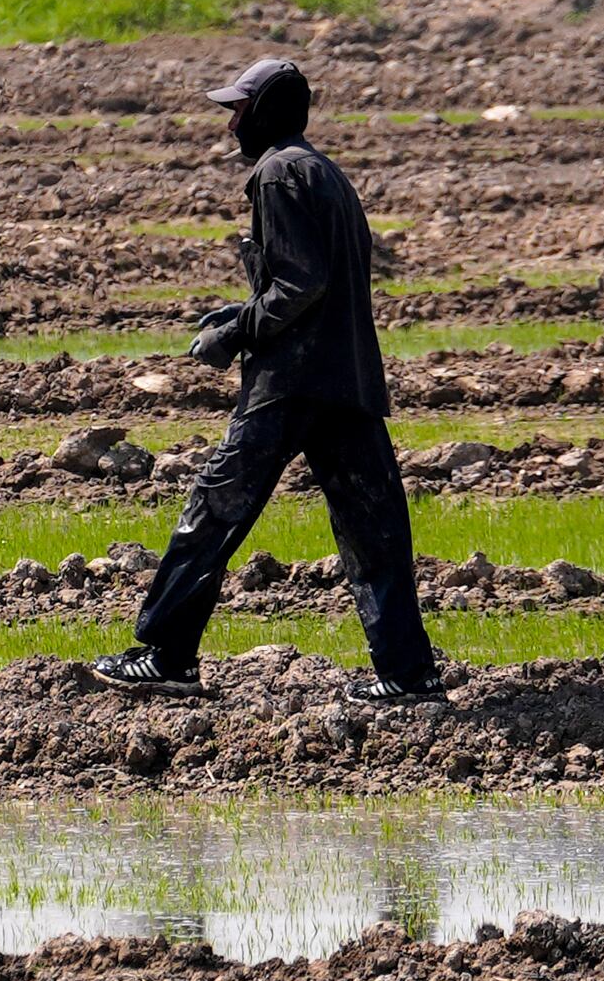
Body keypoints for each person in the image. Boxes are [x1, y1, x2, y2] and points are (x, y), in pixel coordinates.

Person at [99, 56, 445, 700]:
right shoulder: (327, 175)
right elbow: (314, 281)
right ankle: (408, 674)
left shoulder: (278, 173)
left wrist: (233, 333)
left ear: (264, 113)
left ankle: (167, 656)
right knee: (375, 530)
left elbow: (299, 283)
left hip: (290, 384)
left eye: (238, 109)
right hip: (349, 383)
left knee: (212, 511)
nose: (231, 124)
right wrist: (241, 311)